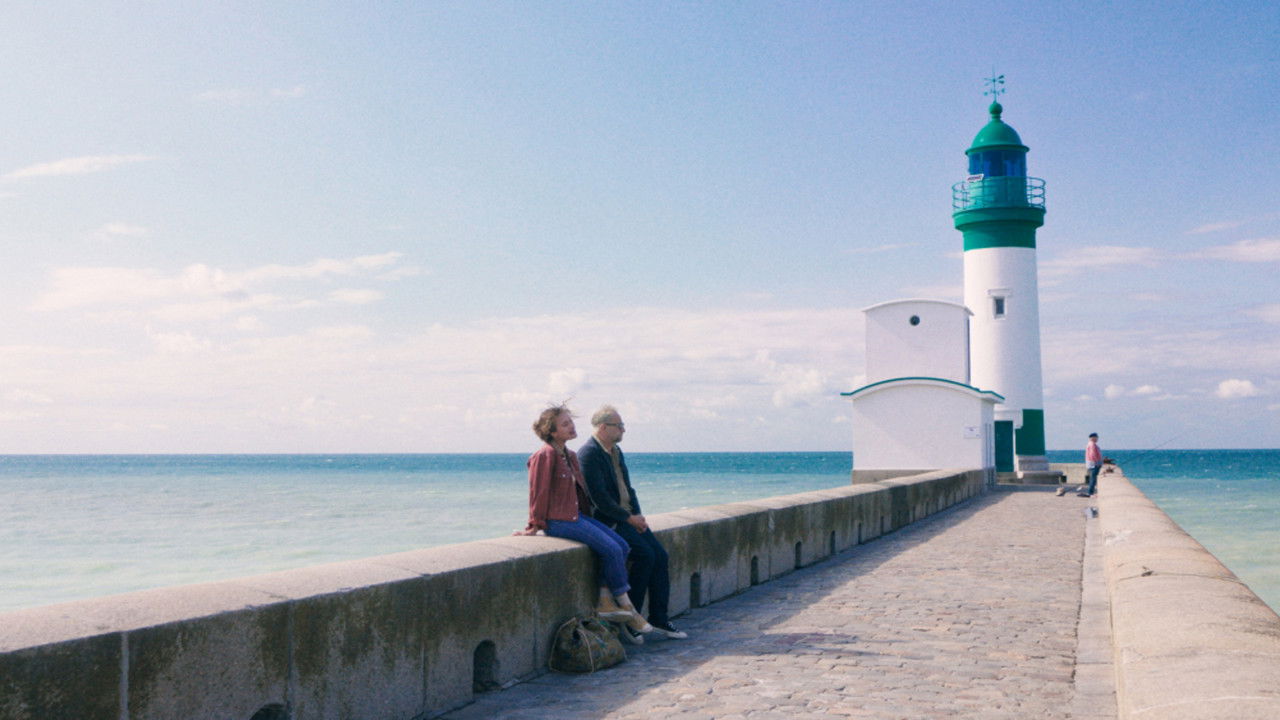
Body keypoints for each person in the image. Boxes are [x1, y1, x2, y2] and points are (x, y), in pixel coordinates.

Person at [517, 404, 652, 636]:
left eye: (571, 422)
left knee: (622, 545)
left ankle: (604, 599)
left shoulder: (569, 456)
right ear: (552, 431)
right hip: (558, 520)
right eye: (565, 424)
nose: (572, 427)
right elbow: (537, 493)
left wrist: (592, 522)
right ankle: (629, 608)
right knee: (610, 548)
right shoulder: (544, 455)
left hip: (576, 517)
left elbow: (582, 495)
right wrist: (534, 525)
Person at [578, 405, 688, 643]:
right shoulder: (589, 454)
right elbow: (599, 498)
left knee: (661, 556)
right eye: (619, 426)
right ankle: (632, 618)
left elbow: (628, 489)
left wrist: (638, 516)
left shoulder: (615, 451)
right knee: (645, 556)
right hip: (611, 520)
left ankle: (659, 618)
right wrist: (628, 518)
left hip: (629, 517)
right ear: (603, 427)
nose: (623, 430)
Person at [1081, 432, 1102, 497]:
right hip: (1093, 464)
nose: (1097, 439)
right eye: (1096, 437)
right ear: (1093, 438)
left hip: (1091, 464)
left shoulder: (1090, 444)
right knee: (1093, 479)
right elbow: (1093, 454)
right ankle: (1090, 493)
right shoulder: (1092, 444)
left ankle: (1091, 492)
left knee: (1093, 478)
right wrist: (1097, 462)